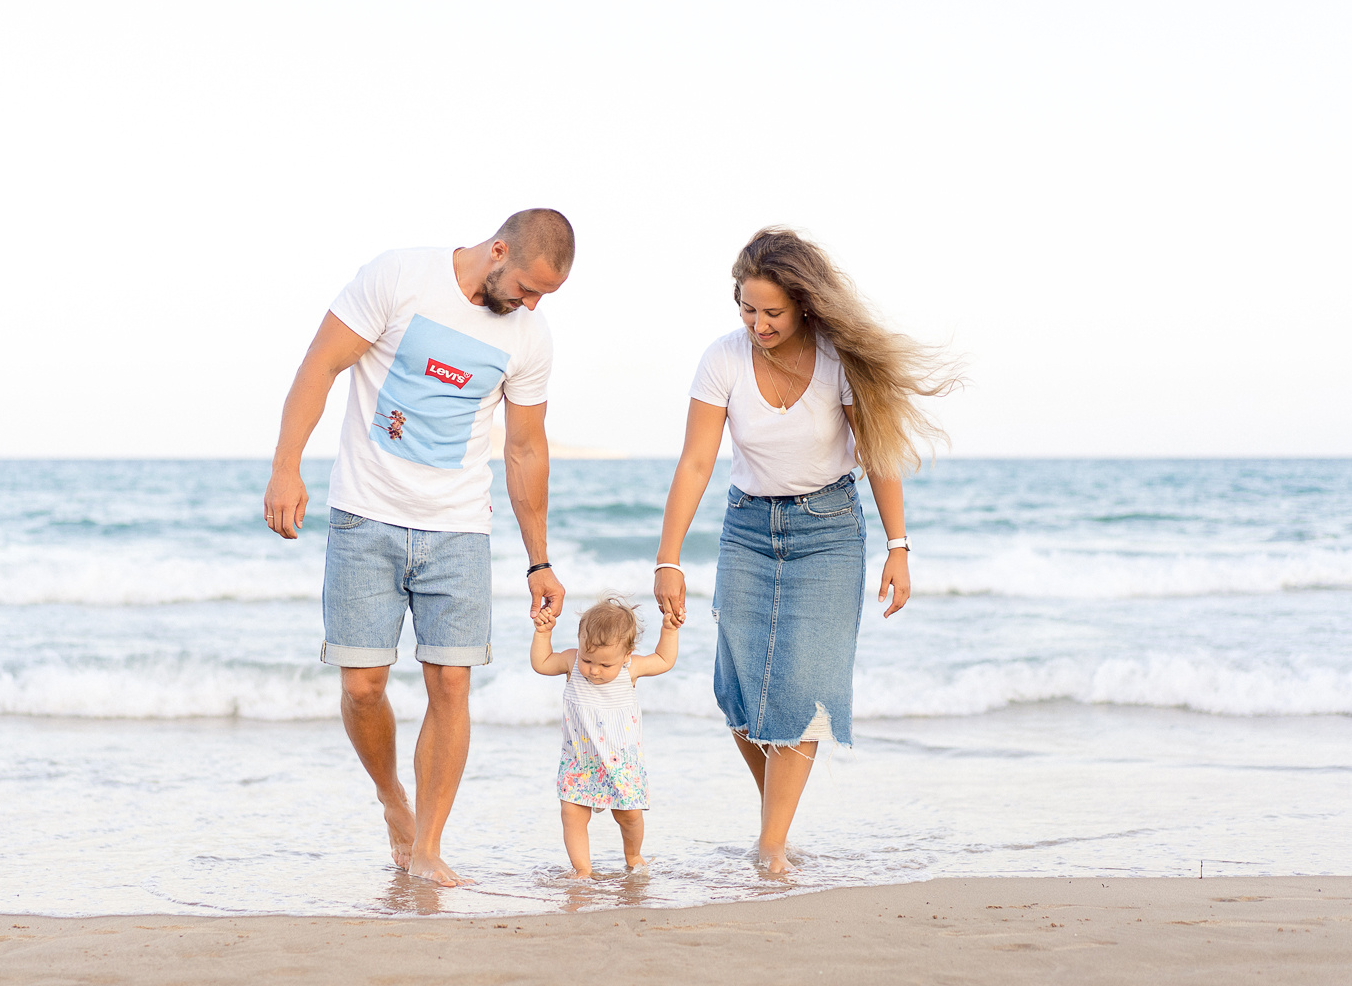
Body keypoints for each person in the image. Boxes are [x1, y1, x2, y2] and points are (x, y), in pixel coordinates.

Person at [263, 209, 575, 887]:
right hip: (364, 516)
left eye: (544, 296)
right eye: (528, 288)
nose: (532, 304)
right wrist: (287, 466)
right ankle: (391, 799)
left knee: (452, 683)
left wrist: (540, 560)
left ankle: (429, 844)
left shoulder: (530, 337)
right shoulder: (400, 276)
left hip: (459, 529)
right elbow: (320, 366)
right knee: (362, 687)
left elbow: (525, 449)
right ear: (498, 251)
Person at [653, 227, 957, 873]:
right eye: (747, 309)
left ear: (804, 305)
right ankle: (778, 824)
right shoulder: (723, 359)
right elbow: (697, 461)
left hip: (829, 531)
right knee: (738, 690)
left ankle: (771, 846)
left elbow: (879, 453)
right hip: (746, 530)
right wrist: (668, 559)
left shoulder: (837, 361)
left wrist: (899, 546)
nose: (758, 324)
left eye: (773, 312)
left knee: (803, 687)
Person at [530, 594, 679, 878]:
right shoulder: (571, 662)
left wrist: (669, 630)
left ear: (626, 655)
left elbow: (663, 659)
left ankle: (633, 854)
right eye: (588, 660)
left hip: (621, 764)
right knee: (572, 815)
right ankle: (582, 868)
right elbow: (542, 663)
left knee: (629, 816)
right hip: (580, 761)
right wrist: (543, 633)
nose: (594, 670)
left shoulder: (630, 668)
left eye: (605, 665)